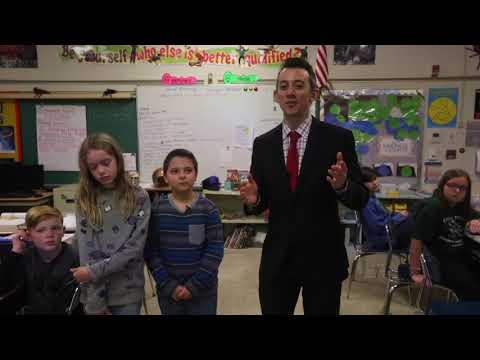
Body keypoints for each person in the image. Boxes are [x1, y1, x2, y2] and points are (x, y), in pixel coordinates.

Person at [239, 57, 369, 315]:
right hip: (278, 260)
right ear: (276, 95)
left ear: (313, 93)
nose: (290, 93)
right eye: (284, 87)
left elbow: (360, 197)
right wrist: (254, 200)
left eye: (299, 85)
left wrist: (343, 186)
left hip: (323, 258)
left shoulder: (338, 139)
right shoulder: (263, 144)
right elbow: (261, 200)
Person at [72, 133, 151, 315]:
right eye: (93, 167)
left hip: (127, 290)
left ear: (118, 159)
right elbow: (86, 249)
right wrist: (94, 299)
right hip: (94, 290)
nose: (100, 171)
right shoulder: (85, 198)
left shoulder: (138, 197)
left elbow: (135, 248)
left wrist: (93, 272)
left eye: (106, 163)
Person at [144, 149, 224, 315]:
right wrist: (168, 285)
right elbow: (151, 251)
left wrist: (194, 285)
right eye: (175, 171)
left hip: (204, 292)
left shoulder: (208, 209)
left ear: (196, 175)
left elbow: (214, 251)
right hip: (169, 293)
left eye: (188, 170)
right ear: (165, 177)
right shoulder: (157, 210)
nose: (182, 175)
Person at [409, 169, 480, 301]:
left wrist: (475, 222)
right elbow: (416, 241)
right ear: (443, 186)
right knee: (472, 289)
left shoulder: (462, 207)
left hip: (459, 255)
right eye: (452, 185)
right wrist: (415, 272)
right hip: (439, 259)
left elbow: (476, 217)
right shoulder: (433, 207)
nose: (457, 191)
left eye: (462, 188)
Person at [0, 206, 81, 314]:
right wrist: (16, 252)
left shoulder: (76, 257)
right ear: (29, 235)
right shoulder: (24, 256)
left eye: (55, 228)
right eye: (40, 230)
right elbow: (4, 287)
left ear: (63, 231)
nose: (49, 235)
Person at [359, 166, 414, 250]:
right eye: (369, 181)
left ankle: (414, 257)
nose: (374, 183)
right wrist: (399, 217)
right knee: (414, 225)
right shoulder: (366, 202)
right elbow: (378, 226)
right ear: (361, 184)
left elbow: (386, 215)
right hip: (382, 240)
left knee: (414, 218)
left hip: (386, 235)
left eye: (374, 179)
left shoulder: (372, 197)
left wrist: (399, 214)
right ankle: (416, 258)